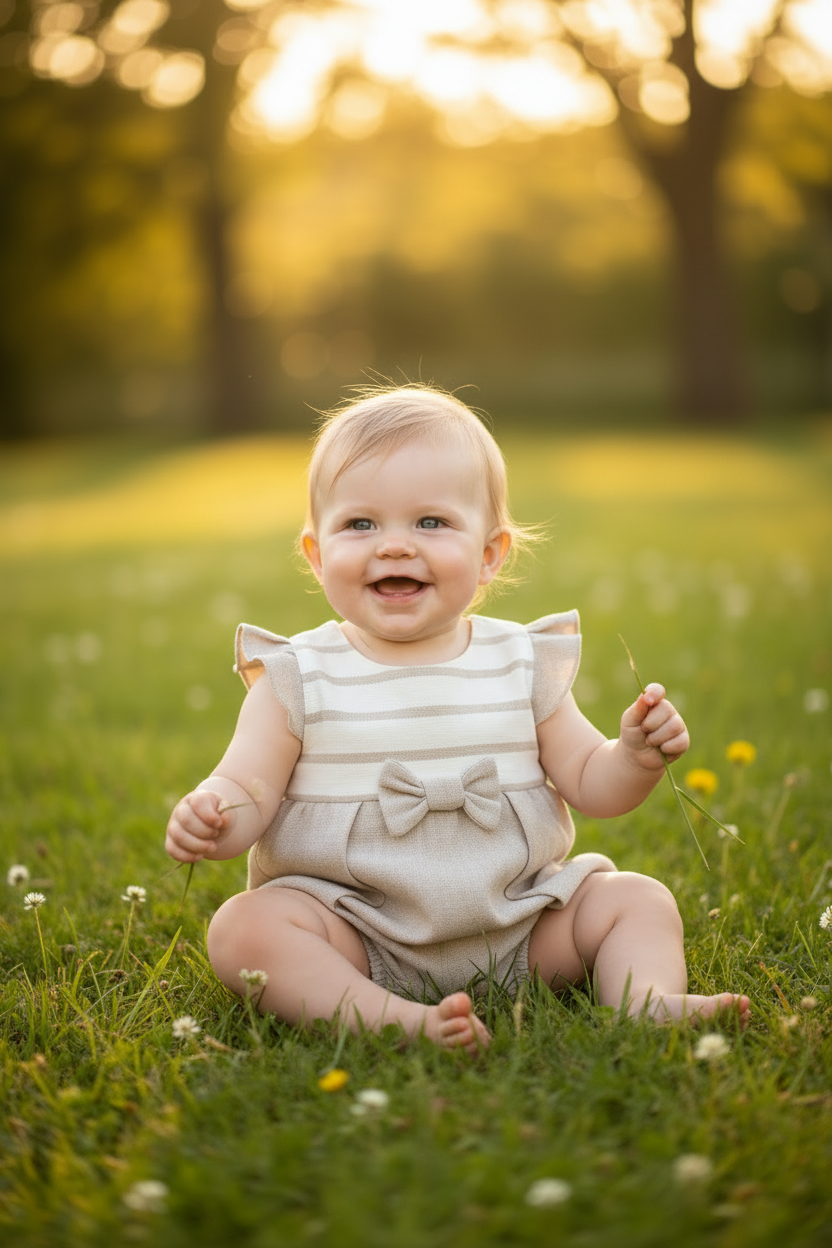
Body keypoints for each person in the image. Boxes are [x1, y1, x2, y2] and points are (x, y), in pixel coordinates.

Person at [165, 386, 751, 1054]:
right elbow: (248, 788)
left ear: (489, 554)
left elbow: (593, 782)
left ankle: (645, 1000)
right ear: (317, 553)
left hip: (523, 928)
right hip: (355, 934)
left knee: (637, 899)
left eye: (431, 523)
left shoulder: (521, 661)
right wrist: (215, 812)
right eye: (360, 525)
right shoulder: (298, 675)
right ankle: (390, 1018)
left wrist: (635, 757)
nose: (393, 547)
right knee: (243, 931)